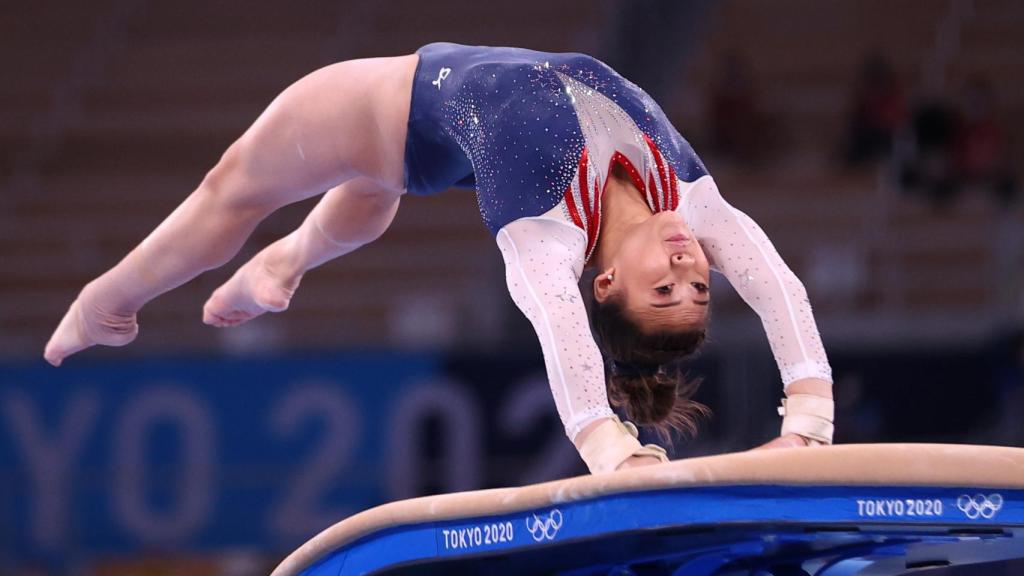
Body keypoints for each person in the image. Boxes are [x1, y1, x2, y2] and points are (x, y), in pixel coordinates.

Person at [44, 43, 835, 474]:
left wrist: (609, 449)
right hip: (435, 139)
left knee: (233, 188)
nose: (689, 267)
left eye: (664, 290)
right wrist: (808, 423)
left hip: (385, 107)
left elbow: (561, 329)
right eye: (697, 286)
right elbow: (777, 286)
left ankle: (106, 304)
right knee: (368, 190)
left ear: (606, 282)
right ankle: (286, 262)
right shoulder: (688, 199)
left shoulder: (546, 230)